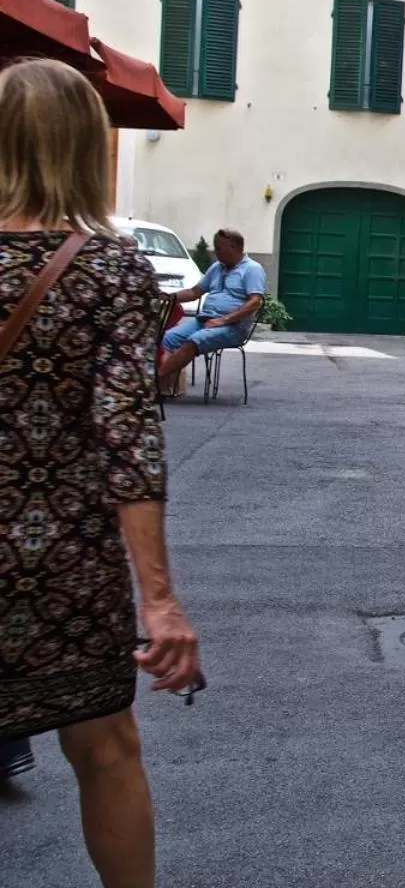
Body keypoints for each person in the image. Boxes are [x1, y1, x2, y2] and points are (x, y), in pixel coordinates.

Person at [0, 58, 202, 887]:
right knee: (107, 753)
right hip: (62, 561)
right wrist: (158, 598)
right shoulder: (114, 272)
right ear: (88, 144)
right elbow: (127, 437)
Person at [159, 227, 264, 392]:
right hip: (204, 321)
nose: (216, 253)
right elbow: (194, 292)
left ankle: (157, 380)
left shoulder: (252, 269)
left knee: (194, 341)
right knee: (165, 339)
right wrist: (168, 297)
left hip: (232, 327)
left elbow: (255, 302)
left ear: (235, 248)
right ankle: (163, 387)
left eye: (219, 249)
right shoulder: (217, 267)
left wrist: (223, 320)